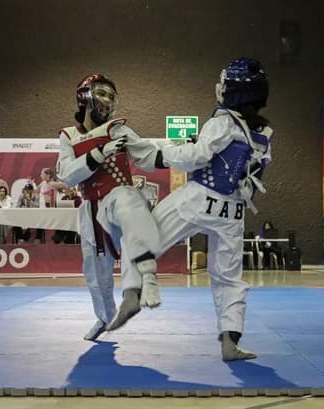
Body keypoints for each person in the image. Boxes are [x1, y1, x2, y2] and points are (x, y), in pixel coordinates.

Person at [108, 58, 272, 361]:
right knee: (229, 278)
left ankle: (132, 294)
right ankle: (230, 342)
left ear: (231, 90)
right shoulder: (263, 135)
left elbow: (196, 156)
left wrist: (162, 156)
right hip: (234, 212)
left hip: (200, 199)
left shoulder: (223, 122)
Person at [56, 73, 162, 341]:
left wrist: (184, 155)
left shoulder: (119, 129)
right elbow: (68, 174)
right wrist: (98, 153)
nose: (107, 101)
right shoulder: (69, 136)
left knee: (136, 246)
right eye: (101, 93)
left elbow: (149, 154)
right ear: (85, 96)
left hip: (120, 202)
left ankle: (144, 286)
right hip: (91, 209)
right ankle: (105, 317)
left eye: (111, 96)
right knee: (95, 272)